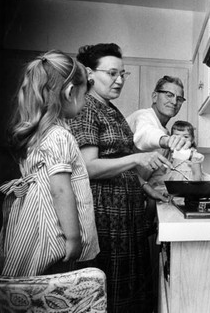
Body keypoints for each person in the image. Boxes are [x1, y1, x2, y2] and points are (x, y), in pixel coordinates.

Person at [69, 43, 170, 313]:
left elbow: (119, 159)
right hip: (105, 213)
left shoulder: (110, 109)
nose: (119, 80)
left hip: (125, 211)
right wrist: (137, 159)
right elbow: (88, 167)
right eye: (112, 73)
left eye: (123, 74)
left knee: (129, 288)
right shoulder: (87, 108)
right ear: (90, 73)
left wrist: (146, 187)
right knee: (112, 290)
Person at [0, 50, 99, 276]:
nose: (85, 103)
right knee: (53, 285)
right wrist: (73, 237)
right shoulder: (59, 136)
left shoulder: (41, 134)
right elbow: (60, 190)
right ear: (71, 92)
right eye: (85, 95)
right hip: (54, 233)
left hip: (32, 224)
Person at [127, 75, 190, 196]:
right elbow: (145, 134)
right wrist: (166, 141)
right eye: (169, 95)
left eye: (179, 98)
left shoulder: (165, 133)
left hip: (137, 194)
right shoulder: (143, 116)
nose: (174, 102)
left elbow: (157, 174)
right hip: (119, 190)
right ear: (155, 96)